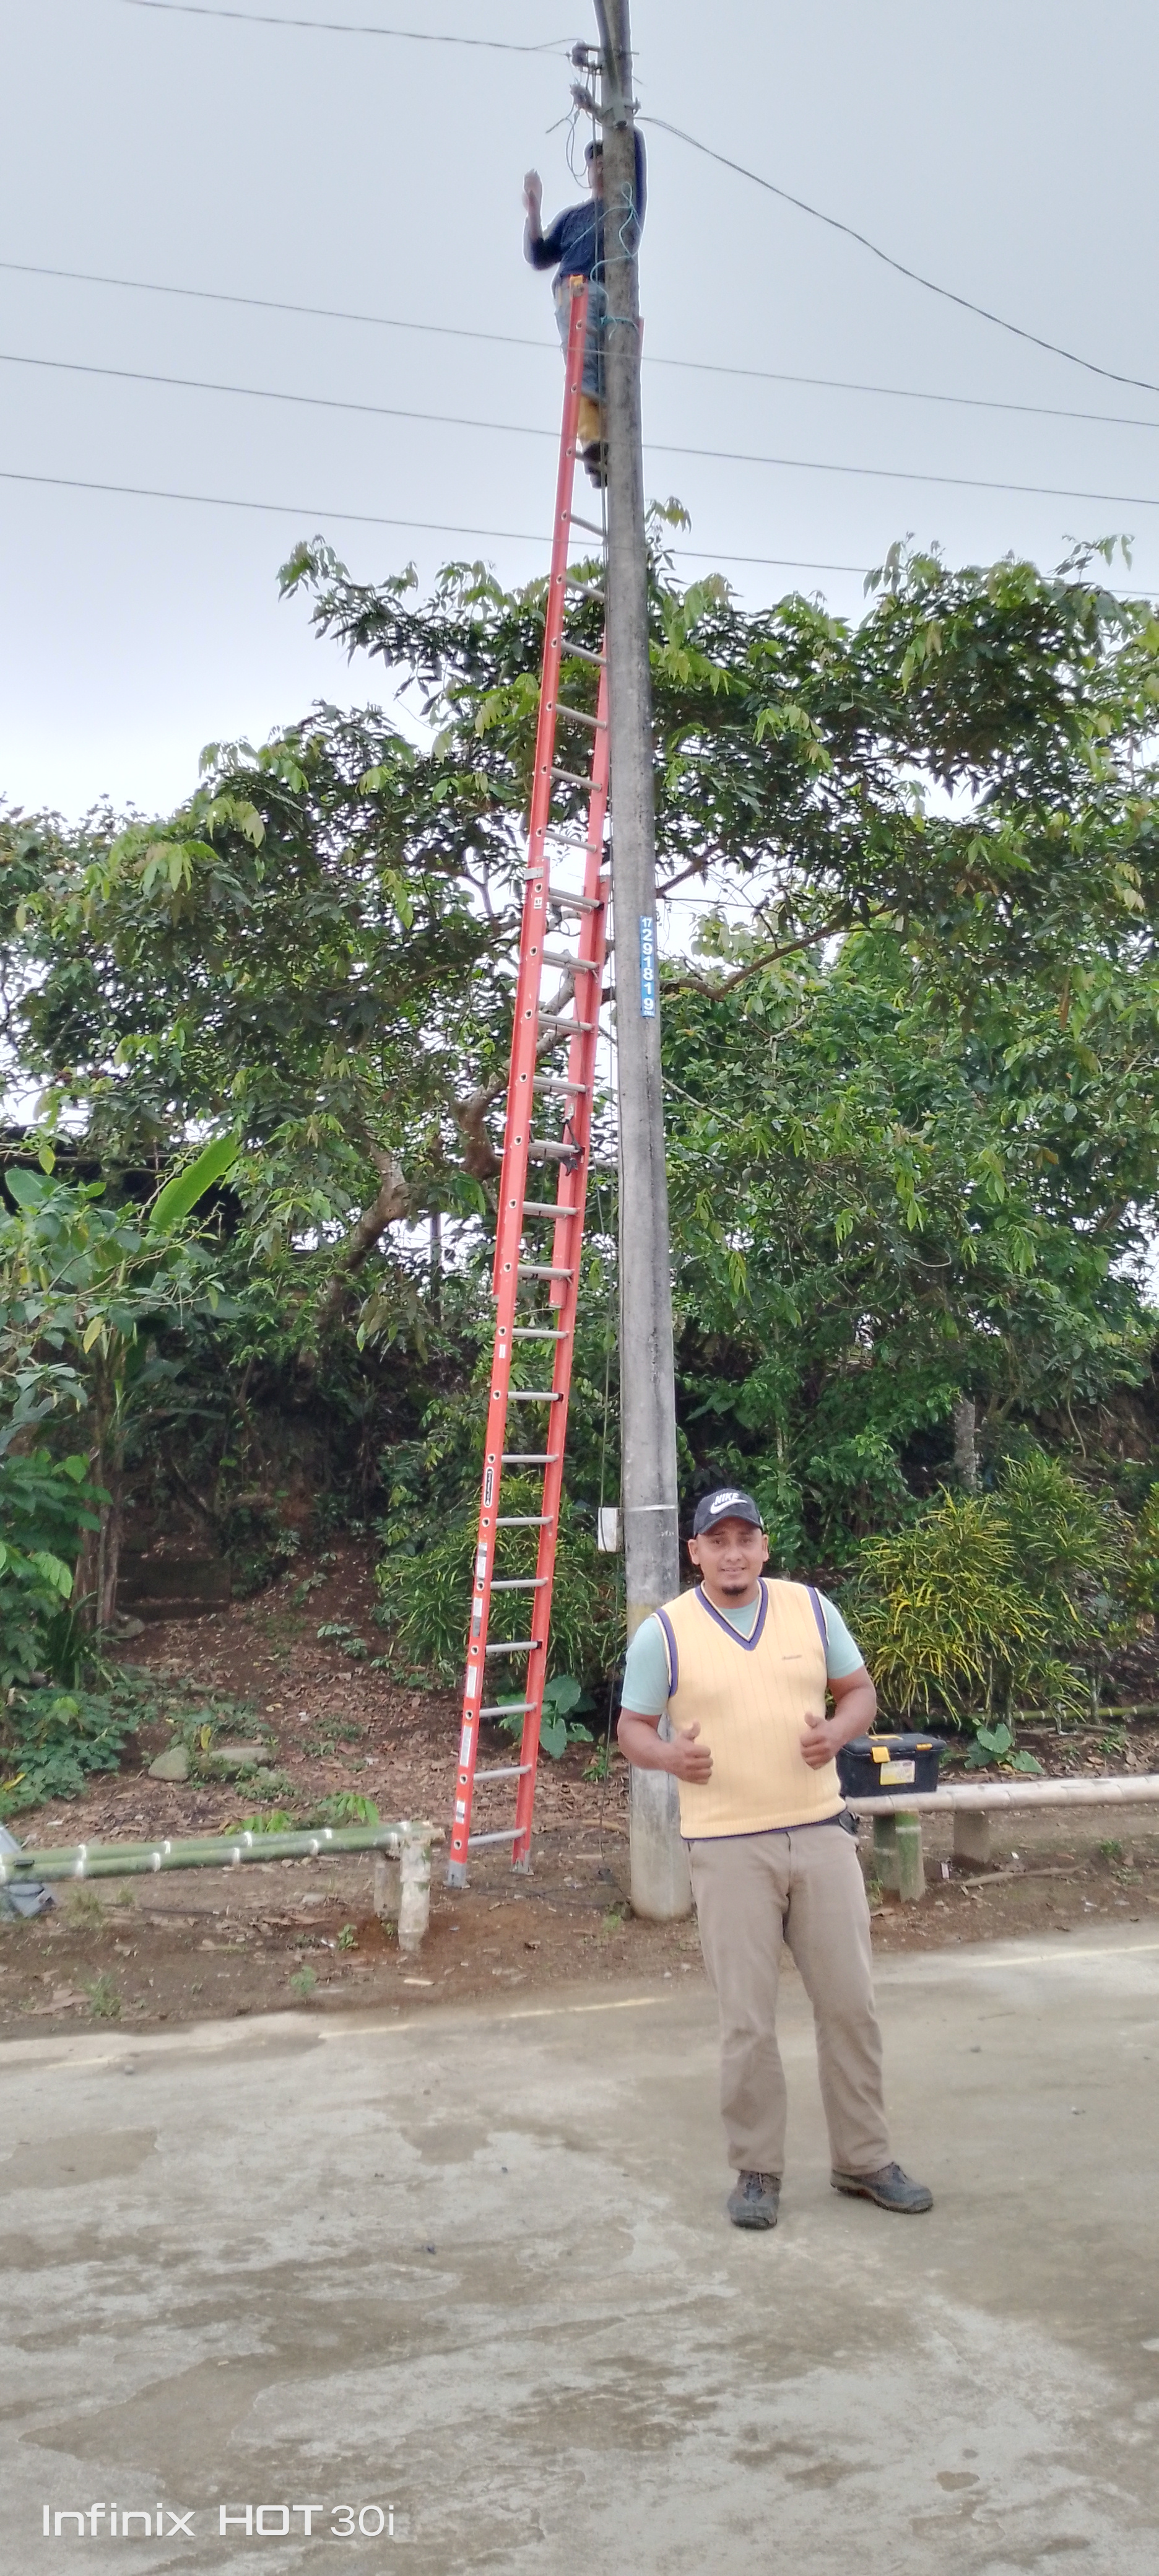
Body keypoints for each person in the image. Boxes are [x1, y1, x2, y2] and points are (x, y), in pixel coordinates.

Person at [617, 1487, 933, 2230]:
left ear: (764, 1546)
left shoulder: (811, 1609)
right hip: (727, 1846)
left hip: (822, 1834)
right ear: (695, 1552)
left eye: (744, 1539)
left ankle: (864, 2159)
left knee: (850, 2003)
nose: (732, 1553)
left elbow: (858, 1691)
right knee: (748, 2020)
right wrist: (669, 1756)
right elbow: (632, 1727)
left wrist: (839, 1733)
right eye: (717, 1540)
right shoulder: (665, 1632)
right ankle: (757, 2169)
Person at [523, 133, 646, 485]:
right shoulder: (574, 217)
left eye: (607, 159)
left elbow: (638, 162)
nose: (600, 166)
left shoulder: (626, 209)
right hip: (577, 290)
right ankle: (593, 444)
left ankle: (604, 451)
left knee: (614, 377)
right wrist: (534, 210)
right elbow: (538, 255)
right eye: (595, 162)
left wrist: (624, 126)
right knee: (585, 365)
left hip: (615, 295)